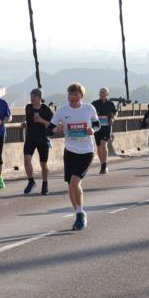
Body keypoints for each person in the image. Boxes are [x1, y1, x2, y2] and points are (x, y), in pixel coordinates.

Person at [48, 83, 101, 231]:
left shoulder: (89, 108)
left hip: (86, 151)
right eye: (70, 94)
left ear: (81, 96)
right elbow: (49, 129)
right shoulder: (62, 110)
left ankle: (80, 213)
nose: (72, 97)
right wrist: (55, 129)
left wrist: (92, 130)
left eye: (75, 94)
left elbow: (97, 125)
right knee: (70, 187)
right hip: (70, 152)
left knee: (74, 182)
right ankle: (78, 212)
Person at [20, 88, 53, 195]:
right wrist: (24, 123)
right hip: (30, 139)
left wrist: (41, 121)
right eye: (31, 96)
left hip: (43, 139)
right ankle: (31, 181)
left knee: (43, 164)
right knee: (26, 159)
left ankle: (45, 184)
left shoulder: (46, 109)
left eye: (33, 96)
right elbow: (26, 117)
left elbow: (52, 125)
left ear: (39, 97)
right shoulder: (28, 107)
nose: (31, 98)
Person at [91, 87, 117, 174]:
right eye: (101, 92)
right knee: (99, 147)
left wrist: (113, 118)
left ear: (107, 94)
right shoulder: (94, 103)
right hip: (97, 128)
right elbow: (89, 113)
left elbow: (115, 112)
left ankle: (104, 166)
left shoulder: (110, 104)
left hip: (106, 127)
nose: (102, 94)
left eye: (104, 92)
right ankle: (102, 163)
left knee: (103, 144)